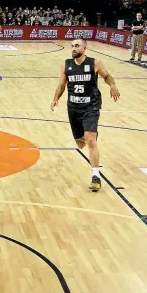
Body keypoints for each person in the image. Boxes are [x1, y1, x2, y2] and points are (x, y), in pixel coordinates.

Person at [51, 38, 120, 192]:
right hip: (73, 108)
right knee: (81, 143)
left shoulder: (94, 63)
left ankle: (96, 176)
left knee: (90, 140)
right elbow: (62, 85)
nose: (73, 48)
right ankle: (90, 134)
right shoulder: (66, 65)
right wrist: (56, 98)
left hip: (91, 106)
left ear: (84, 48)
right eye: (72, 46)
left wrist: (113, 85)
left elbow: (107, 76)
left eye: (77, 46)